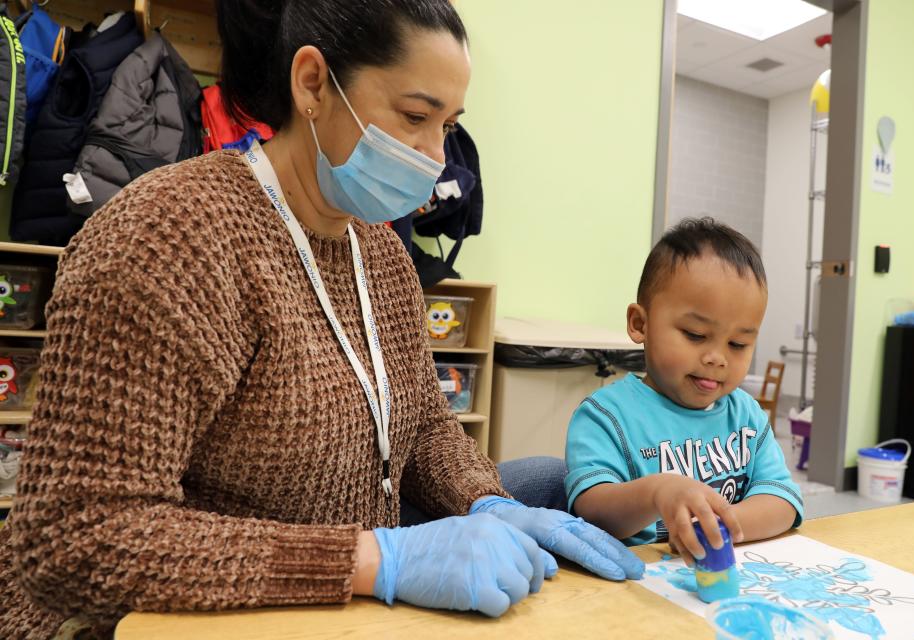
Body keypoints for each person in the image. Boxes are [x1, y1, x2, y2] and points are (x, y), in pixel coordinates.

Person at [0, 1, 643, 637]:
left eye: (447, 125)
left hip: (334, 604)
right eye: (415, 116)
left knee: (544, 484)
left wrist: (488, 501)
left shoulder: (381, 252)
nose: (434, 157)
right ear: (312, 83)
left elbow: (420, 426)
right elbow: (73, 538)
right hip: (150, 618)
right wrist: (372, 560)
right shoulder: (170, 238)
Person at [565, 218, 804, 565]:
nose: (716, 358)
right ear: (640, 324)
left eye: (738, 343)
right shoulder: (605, 416)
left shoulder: (746, 415)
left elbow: (783, 500)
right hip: (637, 587)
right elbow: (591, 510)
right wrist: (657, 493)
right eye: (695, 335)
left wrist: (713, 529)